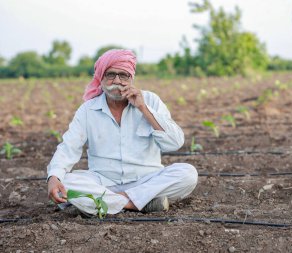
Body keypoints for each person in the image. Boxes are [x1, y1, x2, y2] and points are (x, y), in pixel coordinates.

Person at [47, 49, 198, 215]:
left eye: (123, 75)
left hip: (146, 180)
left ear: (131, 78)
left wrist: (143, 108)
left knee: (188, 174)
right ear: (101, 78)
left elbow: (175, 143)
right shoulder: (88, 110)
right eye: (110, 74)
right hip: (104, 182)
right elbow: (69, 147)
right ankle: (137, 203)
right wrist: (54, 177)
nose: (117, 80)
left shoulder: (150, 101)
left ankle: (105, 203)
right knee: (67, 183)